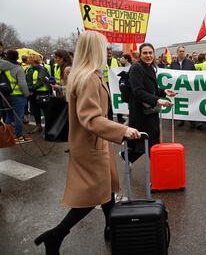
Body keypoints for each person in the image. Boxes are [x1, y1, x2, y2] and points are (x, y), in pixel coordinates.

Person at [34, 31, 140, 254]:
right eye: (103, 47)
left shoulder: (84, 75)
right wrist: (123, 129)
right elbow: (91, 118)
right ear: (95, 50)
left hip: (93, 143)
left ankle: (111, 228)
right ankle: (56, 234)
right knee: (95, 195)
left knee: (106, 190)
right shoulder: (89, 78)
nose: (107, 51)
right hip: (92, 144)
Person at [122, 43, 176, 164]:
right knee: (148, 141)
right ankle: (158, 172)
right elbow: (138, 91)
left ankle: (128, 157)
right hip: (140, 112)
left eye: (150, 53)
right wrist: (157, 100)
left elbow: (151, 89)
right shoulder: (136, 68)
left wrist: (164, 92)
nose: (148, 55)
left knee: (148, 140)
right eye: (145, 53)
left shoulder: (150, 67)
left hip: (150, 110)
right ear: (140, 55)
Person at [0, 50, 31, 143]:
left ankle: (6, 135)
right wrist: (27, 94)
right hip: (17, 96)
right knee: (19, 117)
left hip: (5, 95)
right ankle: (18, 136)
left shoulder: (1, 66)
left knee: (9, 116)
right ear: (16, 57)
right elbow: (22, 84)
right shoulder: (18, 68)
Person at [170, 45, 200, 128]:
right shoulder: (173, 63)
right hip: (178, 88)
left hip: (188, 87)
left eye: (183, 51)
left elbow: (194, 74)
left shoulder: (190, 62)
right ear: (177, 52)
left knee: (190, 103)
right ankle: (181, 120)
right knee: (180, 103)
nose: (182, 53)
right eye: (180, 51)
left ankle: (192, 121)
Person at [26, 54, 50, 133]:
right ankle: (38, 126)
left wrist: (30, 89)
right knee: (36, 111)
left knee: (46, 111)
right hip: (33, 93)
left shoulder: (41, 68)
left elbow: (41, 82)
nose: (27, 59)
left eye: (29, 58)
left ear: (33, 59)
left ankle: (49, 128)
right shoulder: (30, 69)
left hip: (42, 92)